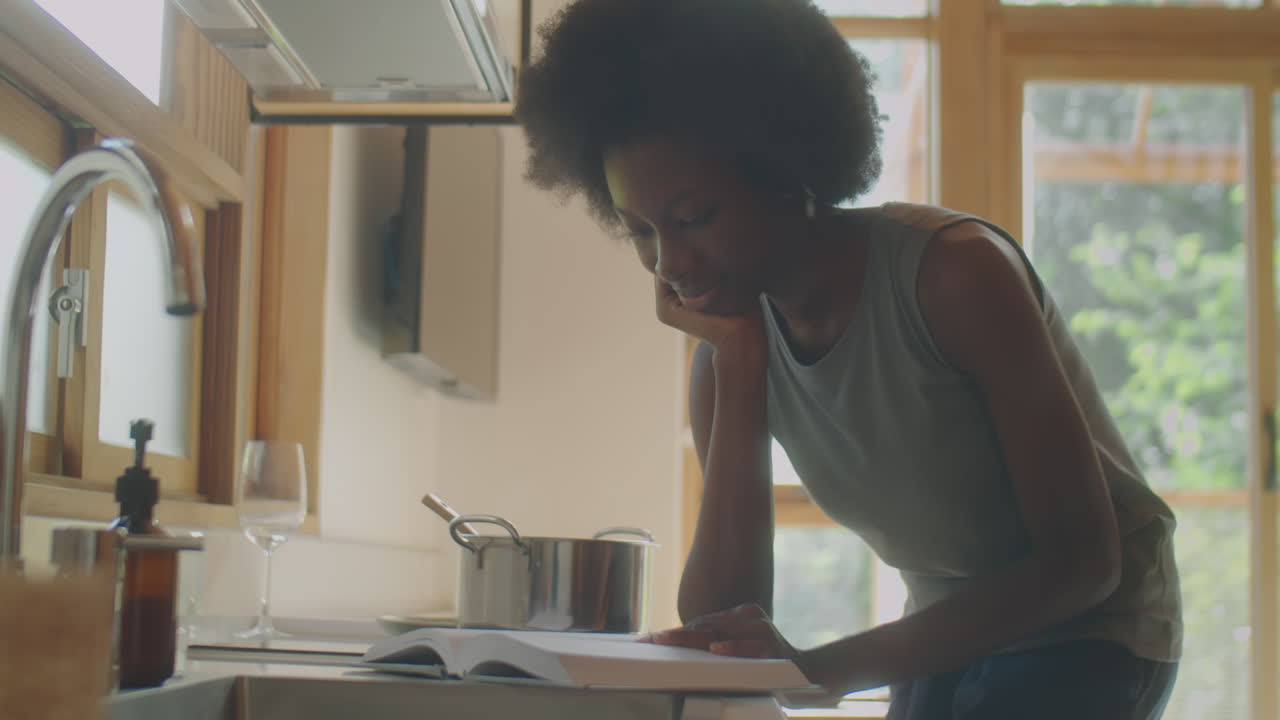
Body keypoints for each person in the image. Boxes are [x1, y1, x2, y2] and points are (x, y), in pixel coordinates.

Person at [513, 0, 1182, 717]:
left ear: (782, 171)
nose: (669, 263)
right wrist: (739, 367)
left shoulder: (956, 273)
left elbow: (1084, 563)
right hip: (951, 635)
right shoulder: (725, 353)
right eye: (639, 231)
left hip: (1094, 629)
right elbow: (717, 635)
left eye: (694, 218)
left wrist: (817, 671)